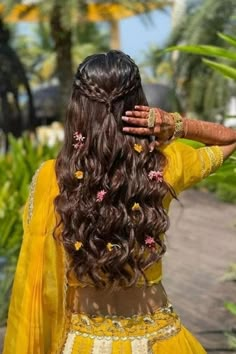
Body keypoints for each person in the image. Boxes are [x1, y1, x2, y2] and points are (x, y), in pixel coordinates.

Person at [3, 50, 236, 354]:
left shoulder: (52, 178)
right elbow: (229, 138)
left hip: (81, 345)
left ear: (77, 107)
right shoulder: (162, 168)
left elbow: (38, 289)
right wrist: (176, 124)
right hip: (158, 342)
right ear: (139, 104)